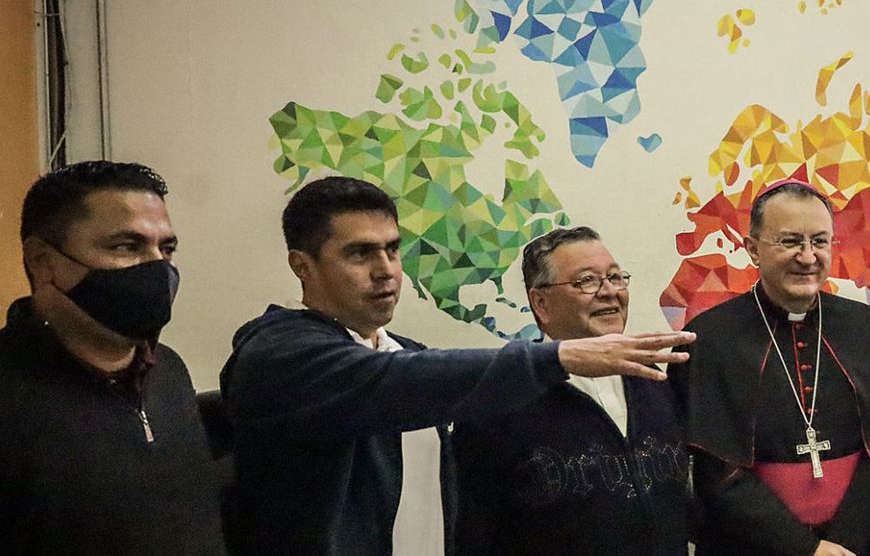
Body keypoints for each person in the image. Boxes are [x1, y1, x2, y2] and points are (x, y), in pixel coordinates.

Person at [222, 176, 694, 556]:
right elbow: (387, 384)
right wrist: (562, 357)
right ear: (302, 266)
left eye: (392, 249)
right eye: (360, 253)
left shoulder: (402, 353)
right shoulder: (279, 354)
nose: (386, 269)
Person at [671, 179, 870, 556]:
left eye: (819, 241)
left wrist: (843, 542)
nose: (807, 256)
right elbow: (717, 472)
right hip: (752, 546)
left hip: (858, 545)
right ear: (752, 248)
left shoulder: (868, 328)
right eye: (790, 242)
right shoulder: (710, 337)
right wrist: (805, 549)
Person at [0, 160, 226, 555]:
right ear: (43, 261)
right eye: (126, 246)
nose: (157, 267)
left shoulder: (168, 370)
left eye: (166, 248)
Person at [452, 226, 691, 555]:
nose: (609, 292)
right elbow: (472, 533)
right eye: (587, 281)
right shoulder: (498, 404)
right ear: (541, 302)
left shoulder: (654, 382)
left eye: (616, 277)